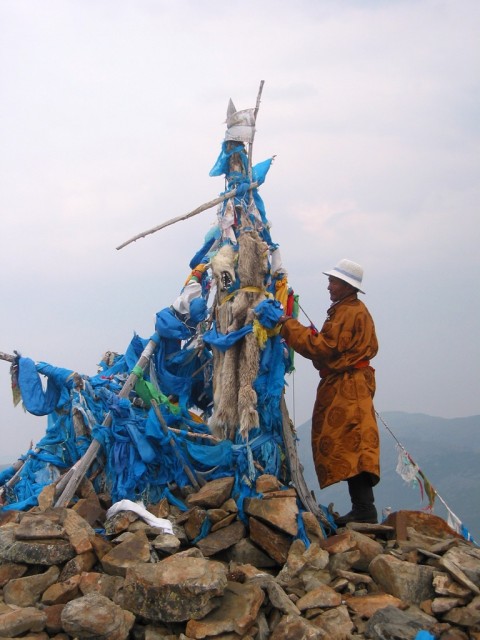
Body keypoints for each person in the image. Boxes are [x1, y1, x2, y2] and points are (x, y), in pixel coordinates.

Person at [278, 259, 380, 526]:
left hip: (349, 388)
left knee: (352, 446)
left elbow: (323, 348)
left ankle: (364, 509)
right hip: (348, 386)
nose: (328, 286)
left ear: (347, 286)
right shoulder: (348, 310)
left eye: (333, 282)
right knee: (350, 445)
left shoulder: (349, 312)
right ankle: (362, 508)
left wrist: (287, 326)